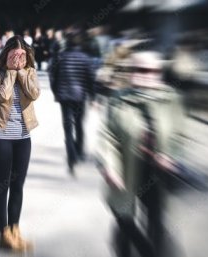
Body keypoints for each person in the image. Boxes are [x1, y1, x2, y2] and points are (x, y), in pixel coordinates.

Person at [97, 51, 187, 257]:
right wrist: (109, 165)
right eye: (141, 69)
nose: (148, 75)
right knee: (123, 215)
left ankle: (153, 250)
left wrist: (171, 155)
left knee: (155, 219)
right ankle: (143, 250)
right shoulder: (118, 99)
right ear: (131, 72)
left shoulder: (170, 99)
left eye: (154, 71)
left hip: (156, 171)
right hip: (125, 167)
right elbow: (107, 135)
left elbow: (180, 134)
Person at [0, 35, 40, 251]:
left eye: (22, 55)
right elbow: (3, 95)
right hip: (0, 137)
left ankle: (15, 232)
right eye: (14, 55)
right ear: (5, 54)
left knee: (18, 186)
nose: (18, 59)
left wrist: (23, 72)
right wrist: (10, 71)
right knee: (2, 186)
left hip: (23, 137)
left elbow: (34, 94)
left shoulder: (30, 72)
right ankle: (4, 235)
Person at [49, 29, 95, 175]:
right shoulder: (85, 58)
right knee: (79, 124)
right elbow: (91, 78)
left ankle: (71, 156)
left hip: (64, 97)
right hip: (80, 97)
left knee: (68, 128)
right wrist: (93, 96)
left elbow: (53, 77)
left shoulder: (60, 57)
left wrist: (56, 92)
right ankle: (79, 151)